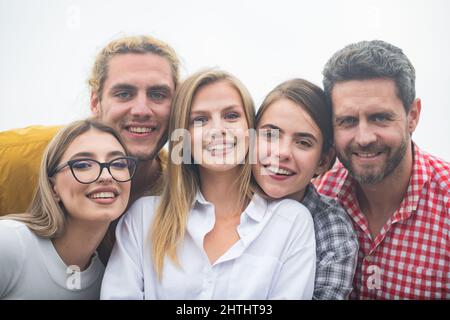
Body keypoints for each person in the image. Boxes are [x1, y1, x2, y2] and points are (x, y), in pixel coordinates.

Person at [101, 69, 316, 299]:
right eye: (200, 120)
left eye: (231, 116)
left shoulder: (291, 221)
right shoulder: (143, 218)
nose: (218, 130)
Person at [314, 40, 450, 299]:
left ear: (413, 116)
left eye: (380, 117)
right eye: (348, 121)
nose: (364, 137)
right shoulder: (316, 195)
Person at [0, 34, 180, 215]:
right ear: (95, 102)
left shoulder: (186, 191)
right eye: (124, 94)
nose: (141, 110)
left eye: (158, 95)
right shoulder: (13, 159)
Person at [0, 119, 137, 299]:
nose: (106, 176)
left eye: (118, 164)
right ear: (53, 187)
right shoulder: (9, 243)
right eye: (82, 165)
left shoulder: (112, 280)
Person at [252, 78, 358, 300]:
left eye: (303, 143)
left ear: (323, 161)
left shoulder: (331, 230)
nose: (282, 153)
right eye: (270, 135)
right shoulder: (220, 197)